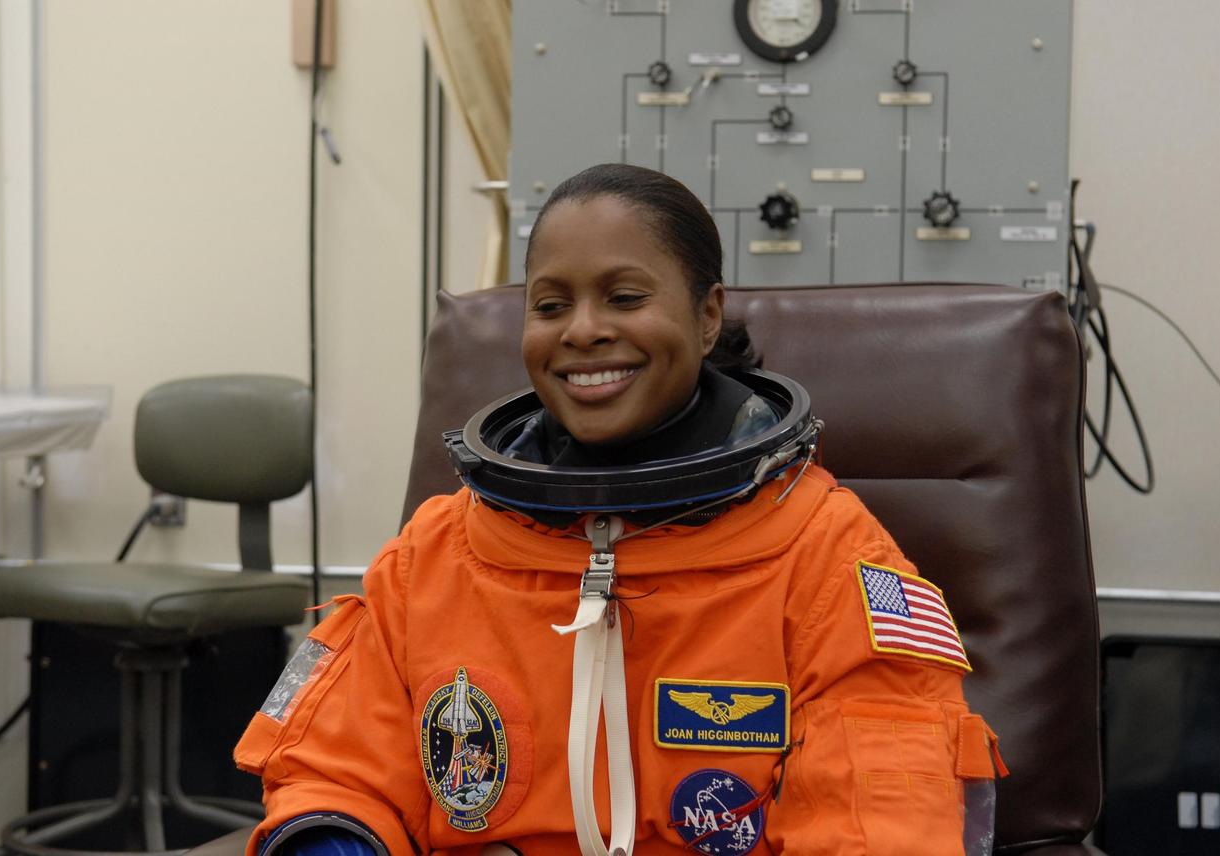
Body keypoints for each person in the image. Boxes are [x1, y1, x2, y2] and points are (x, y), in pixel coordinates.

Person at [233, 163, 1006, 856]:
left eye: (625, 298)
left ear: (707, 315)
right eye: (550, 305)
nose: (582, 331)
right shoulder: (435, 554)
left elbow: (882, 819)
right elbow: (337, 773)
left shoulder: (826, 554)